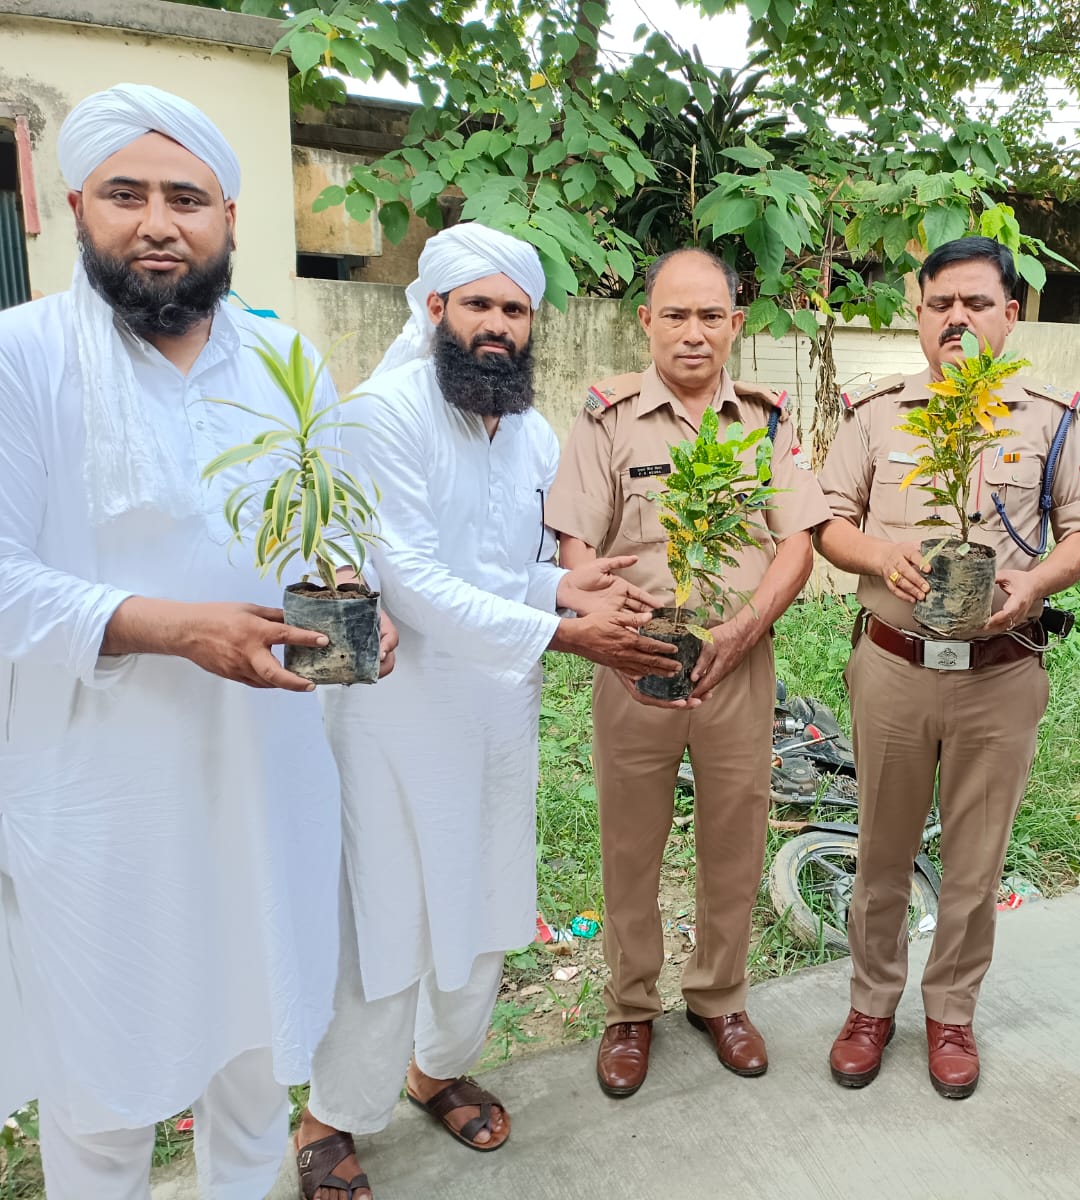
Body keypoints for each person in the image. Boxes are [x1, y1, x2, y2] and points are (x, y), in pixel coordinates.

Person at [0, 84, 396, 1198]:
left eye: (186, 198)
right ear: (75, 208)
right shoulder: (21, 357)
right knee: (106, 1093)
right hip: (99, 792)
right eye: (125, 195)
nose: (157, 224)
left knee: (256, 1065)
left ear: (230, 217)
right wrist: (173, 630)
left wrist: (360, 596)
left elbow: (332, 530)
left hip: (265, 778)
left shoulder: (282, 362)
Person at [295, 224, 678, 1199]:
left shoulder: (529, 432)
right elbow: (411, 581)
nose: (498, 325)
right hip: (397, 717)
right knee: (386, 914)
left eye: (515, 309)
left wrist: (571, 589)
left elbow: (513, 567)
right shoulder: (383, 415)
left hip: (498, 708)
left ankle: (437, 1069)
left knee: (484, 897)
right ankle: (331, 1114)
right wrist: (564, 631)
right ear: (435, 309)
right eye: (479, 305)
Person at [813, 235, 1080, 1099]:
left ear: (1008, 316)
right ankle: (870, 1007)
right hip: (894, 668)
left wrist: (1035, 581)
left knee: (975, 863)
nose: (956, 318)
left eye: (976, 303)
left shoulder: (1048, 419)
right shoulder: (875, 414)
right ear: (918, 314)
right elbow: (827, 519)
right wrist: (879, 554)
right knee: (881, 852)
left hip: (1000, 673)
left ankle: (950, 1014)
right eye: (940, 303)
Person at [545, 247, 831, 1098]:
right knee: (629, 845)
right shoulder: (607, 419)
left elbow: (797, 540)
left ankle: (719, 997)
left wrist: (743, 631)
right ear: (647, 322)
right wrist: (612, 628)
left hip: (737, 664)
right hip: (634, 660)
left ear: (735, 324)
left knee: (735, 840)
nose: (693, 332)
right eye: (675, 314)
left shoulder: (763, 422)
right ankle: (630, 1007)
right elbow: (574, 541)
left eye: (711, 315)